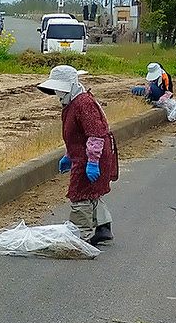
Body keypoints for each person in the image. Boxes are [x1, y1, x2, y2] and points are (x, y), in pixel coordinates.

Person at [37, 65, 118, 245]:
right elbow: (77, 136)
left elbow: (95, 134)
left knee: (80, 194)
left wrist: (93, 162)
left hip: (91, 156)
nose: (58, 93)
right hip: (83, 154)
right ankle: (102, 228)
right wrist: (69, 154)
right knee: (92, 191)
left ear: (72, 85)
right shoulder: (72, 103)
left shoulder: (84, 104)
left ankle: (81, 237)